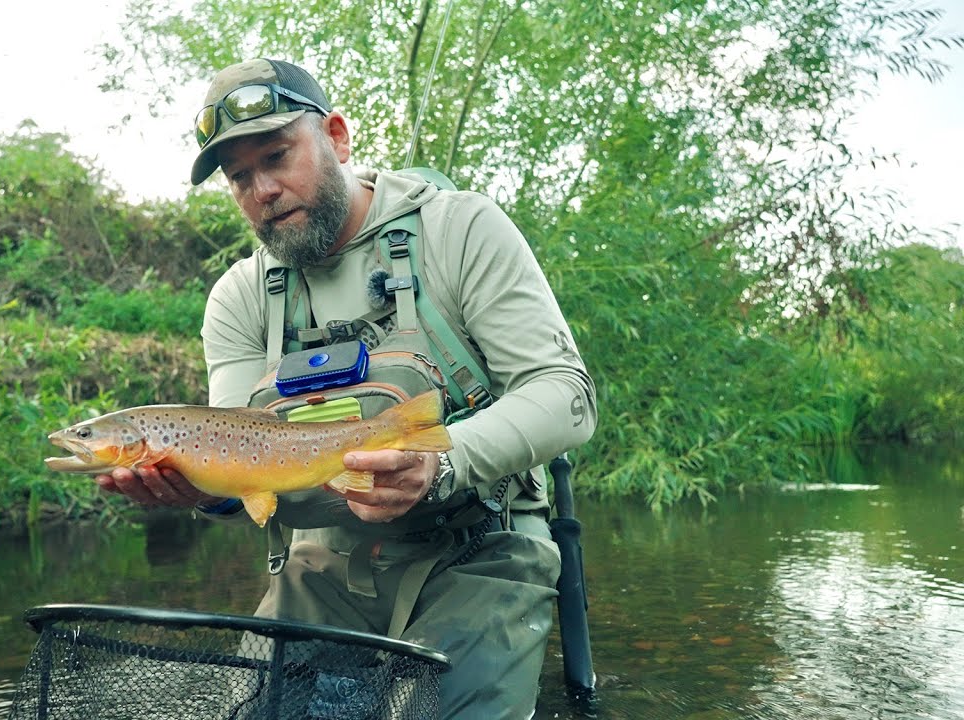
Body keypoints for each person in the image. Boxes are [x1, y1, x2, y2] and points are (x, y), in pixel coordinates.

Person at [96, 58, 597, 719]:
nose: (262, 189)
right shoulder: (240, 298)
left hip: (481, 551)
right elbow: (240, 460)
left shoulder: (460, 229)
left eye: (276, 155)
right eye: (239, 176)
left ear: (335, 137)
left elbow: (565, 393)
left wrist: (444, 463)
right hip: (322, 567)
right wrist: (198, 490)